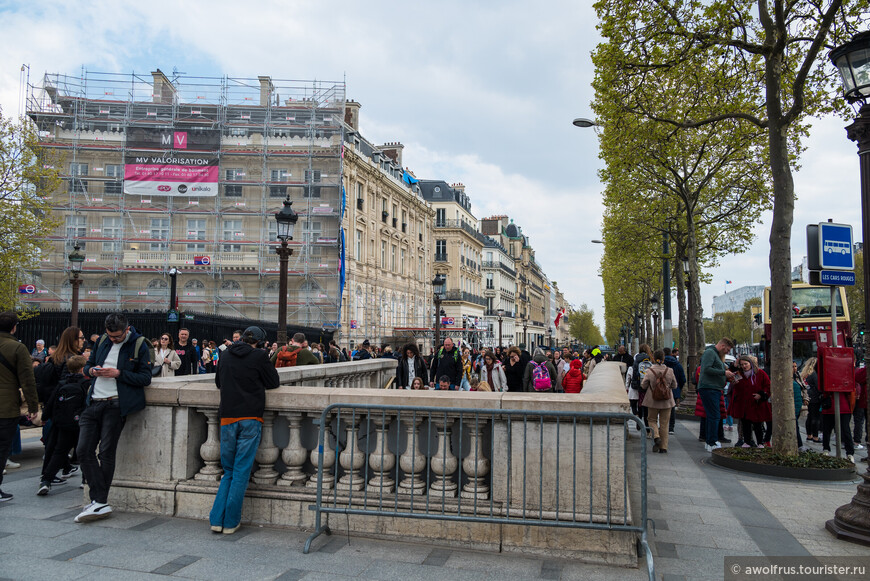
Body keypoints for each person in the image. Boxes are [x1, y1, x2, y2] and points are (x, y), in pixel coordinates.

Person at [75, 312, 152, 522]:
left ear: (126, 330)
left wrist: (118, 374)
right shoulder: (101, 340)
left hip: (116, 404)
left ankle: (98, 501)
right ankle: (100, 501)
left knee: (106, 453)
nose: (113, 339)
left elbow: (146, 378)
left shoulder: (139, 345)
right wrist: (93, 371)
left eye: (117, 337)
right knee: (83, 451)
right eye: (110, 336)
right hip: (94, 402)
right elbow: (88, 366)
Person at [210, 326, 280, 534]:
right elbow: (273, 382)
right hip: (250, 417)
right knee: (241, 471)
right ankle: (230, 522)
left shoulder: (225, 355)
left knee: (229, 470)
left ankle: (216, 519)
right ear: (259, 341)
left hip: (227, 417)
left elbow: (218, 382)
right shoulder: (258, 356)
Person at [0, 312, 39, 503]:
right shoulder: (17, 347)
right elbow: (27, 380)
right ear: (14, 327)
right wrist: (33, 406)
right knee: (1, 447)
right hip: (5, 406)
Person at [38, 355, 90, 495]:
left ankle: (46, 481)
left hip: (63, 423)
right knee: (84, 451)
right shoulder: (86, 384)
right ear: (82, 369)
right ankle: (85, 480)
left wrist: (45, 417)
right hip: (80, 423)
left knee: (59, 451)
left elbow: (52, 401)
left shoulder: (62, 383)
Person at [698, 338, 735, 451]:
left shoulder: (713, 353)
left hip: (712, 388)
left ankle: (710, 441)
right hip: (710, 388)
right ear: (723, 346)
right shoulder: (710, 353)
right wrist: (724, 372)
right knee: (714, 416)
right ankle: (712, 442)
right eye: (727, 350)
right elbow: (706, 369)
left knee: (712, 416)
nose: (727, 352)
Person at [729, 355, 770, 448]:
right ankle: (747, 441)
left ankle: (760, 442)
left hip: (756, 404)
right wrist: (735, 384)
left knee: (758, 424)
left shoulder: (761, 373)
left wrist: (761, 395)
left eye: (746, 364)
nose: (744, 366)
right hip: (744, 404)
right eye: (742, 364)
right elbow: (737, 390)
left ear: (750, 363)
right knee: (745, 424)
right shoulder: (739, 374)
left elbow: (767, 386)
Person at [641, 350, 677, 453]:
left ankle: (656, 436)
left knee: (651, 420)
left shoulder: (649, 370)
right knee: (664, 423)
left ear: (654, 358)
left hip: (652, 400)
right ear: (663, 358)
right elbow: (675, 385)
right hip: (667, 401)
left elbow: (643, 385)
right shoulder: (669, 371)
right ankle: (663, 447)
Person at [802, 357, 821, 443]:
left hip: (808, 397)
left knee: (809, 417)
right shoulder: (814, 374)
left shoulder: (805, 374)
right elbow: (818, 387)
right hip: (814, 398)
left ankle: (809, 435)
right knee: (815, 417)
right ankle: (815, 436)